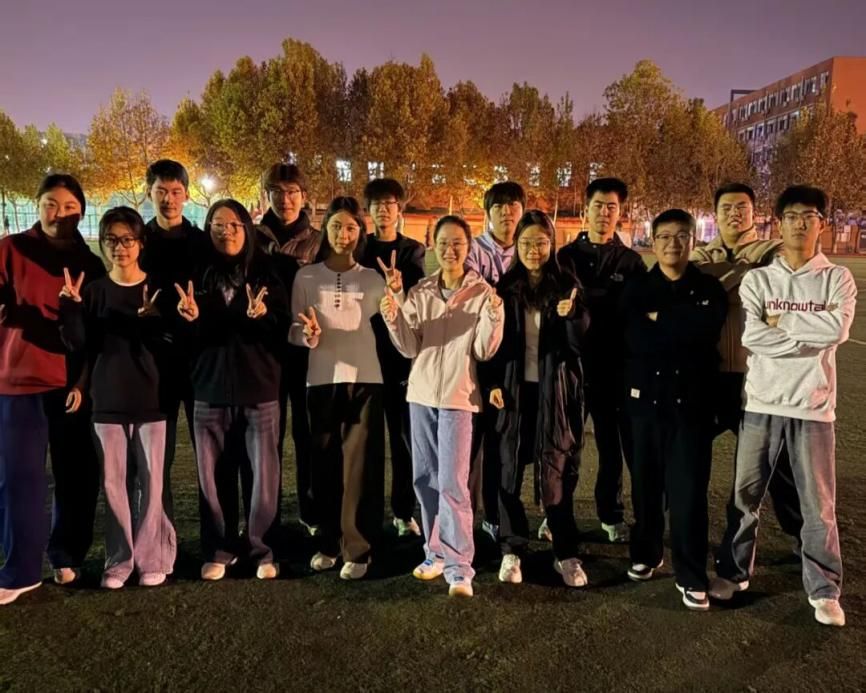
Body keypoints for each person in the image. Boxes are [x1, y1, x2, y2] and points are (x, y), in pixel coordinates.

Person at [710, 186, 857, 627]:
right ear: (779, 223)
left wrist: (783, 321)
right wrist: (808, 332)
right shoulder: (760, 280)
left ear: (821, 224)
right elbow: (753, 336)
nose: (799, 223)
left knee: (819, 506)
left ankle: (824, 588)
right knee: (745, 497)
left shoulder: (837, 278)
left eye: (808, 216)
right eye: (791, 216)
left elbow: (837, 330)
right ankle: (734, 573)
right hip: (762, 402)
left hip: (814, 407)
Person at [381, 215, 504, 598]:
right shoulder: (421, 290)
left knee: (453, 483)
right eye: (444, 243)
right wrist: (393, 311)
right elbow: (409, 347)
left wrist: (494, 317)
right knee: (424, 479)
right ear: (433, 245)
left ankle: (459, 566)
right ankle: (434, 552)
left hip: (459, 398)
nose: (450, 250)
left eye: (458, 243)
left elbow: (484, 350)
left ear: (468, 247)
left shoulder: (482, 292)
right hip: (420, 396)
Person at [0, 173, 105, 605]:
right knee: (18, 478)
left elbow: (97, 336)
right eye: (50, 204)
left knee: (76, 476)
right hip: (18, 381)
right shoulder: (11, 249)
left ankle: (66, 554)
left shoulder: (91, 264)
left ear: (81, 212)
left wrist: (83, 381)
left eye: (69, 207)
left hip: (69, 386)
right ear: (37, 204)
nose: (59, 214)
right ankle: (21, 568)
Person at [59, 207, 176, 589]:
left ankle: (153, 558)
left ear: (141, 243)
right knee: (114, 485)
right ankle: (119, 561)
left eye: (127, 239)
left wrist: (154, 318)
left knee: (152, 484)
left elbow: (172, 344)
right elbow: (81, 346)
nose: (119, 247)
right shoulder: (93, 291)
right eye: (111, 239)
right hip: (107, 400)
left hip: (152, 399)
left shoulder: (158, 288)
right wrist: (71, 308)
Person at [620, 209, 727, 611]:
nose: (672, 244)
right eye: (664, 236)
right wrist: (678, 324)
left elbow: (705, 332)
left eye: (681, 236)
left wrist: (660, 320)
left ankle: (691, 573)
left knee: (688, 493)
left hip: (691, 407)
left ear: (692, 241)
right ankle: (646, 552)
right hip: (644, 403)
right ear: (652, 242)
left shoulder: (709, 287)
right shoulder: (637, 287)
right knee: (645, 487)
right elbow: (634, 338)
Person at [178, 199, 289, 581]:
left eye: (234, 225)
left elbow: (283, 328)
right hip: (209, 389)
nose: (226, 232)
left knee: (263, 477)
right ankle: (219, 548)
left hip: (260, 390)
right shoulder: (196, 274)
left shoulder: (267, 273)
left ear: (247, 228)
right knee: (213, 477)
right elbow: (181, 338)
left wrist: (264, 316)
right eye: (218, 225)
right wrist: (190, 320)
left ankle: (264, 548)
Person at [691, 183, 803, 547]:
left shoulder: (774, 252)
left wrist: (714, 284)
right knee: (683, 455)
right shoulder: (699, 256)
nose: (734, 214)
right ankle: (658, 534)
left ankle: (803, 535)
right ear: (715, 213)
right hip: (708, 378)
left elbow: (781, 294)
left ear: (754, 212)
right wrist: (746, 274)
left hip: (757, 378)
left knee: (778, 464)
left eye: (741, 207)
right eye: (726, 208)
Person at [482, 210, 590, 587]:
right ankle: (512, 548)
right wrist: (492, 383)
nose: (533, 250)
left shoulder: (567, 286)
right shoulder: (505, 287)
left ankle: (565, 552)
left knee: (555, 471)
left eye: (541, 242)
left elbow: (580, 346)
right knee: (507, 469)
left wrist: (572, 316)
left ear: (552, 244)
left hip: (554, 392)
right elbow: (492, 343)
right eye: (526, 242)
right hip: (514, 391)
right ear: (516, 245)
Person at [289, 197, 386, 580]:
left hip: (366, 379)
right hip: (321, 378)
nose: (343, 234)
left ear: (360, 233)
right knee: (324, 464)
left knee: (359, 470)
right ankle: (329, 542)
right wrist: (308, 335)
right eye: (336, 226)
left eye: (350, 227)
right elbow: (294, 330)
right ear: (325, 230)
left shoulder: (373, 278)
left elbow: (396, 325)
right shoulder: (306, 277)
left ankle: (359, 549)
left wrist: (397, 295)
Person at [557, 177, 646, 543]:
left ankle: (611, 514)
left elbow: (637, 314)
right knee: (567, 448)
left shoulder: (631, 261)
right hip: (571, 368)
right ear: (586, 209)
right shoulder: (565, 257)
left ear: (619, 212)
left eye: (612, 207)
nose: (605, 213)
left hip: (614, 371)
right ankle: (557, 514)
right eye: (598, 205)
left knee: (611, 449)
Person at [140, 159, 209, 527]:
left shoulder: (201, 243)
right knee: (156, 458)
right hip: (155, 362)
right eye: (161, 191)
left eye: (176, 191)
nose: (168, 199)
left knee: (209, 457)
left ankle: (216, 536)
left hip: (198, 361)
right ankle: (156, 539)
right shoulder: (138, 241)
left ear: (187, 194)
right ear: (148, 192)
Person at [256, 163, 322, 535]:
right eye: (278, 192)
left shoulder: (318, 241)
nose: (285, 200)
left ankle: (311, 512)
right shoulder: (252, 238)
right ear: (266, 195)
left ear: (304, 196)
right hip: (264, 353)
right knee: (267, 438)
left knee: (307, 433)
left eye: (293, 192)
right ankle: (267, 516)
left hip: (307, 351)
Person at [360, 178, 426, 538]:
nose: (384, 210)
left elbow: (417, 301)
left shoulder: (413, 251)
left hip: (399, 357)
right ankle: (367, 511)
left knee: (403, 440)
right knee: (367, 441)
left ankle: (403, 511)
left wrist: (398, 288)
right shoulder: (360, 247)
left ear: (399, 209)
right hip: (362, 354)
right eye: (377, 204)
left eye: (390, 204)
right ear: (369, 210)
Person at [464, 181, 525, 286]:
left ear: (523, 211)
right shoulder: (472, 249)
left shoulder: (528, 251)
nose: (506, 212)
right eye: (498, 206)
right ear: (488, 214)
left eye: (512, 204)